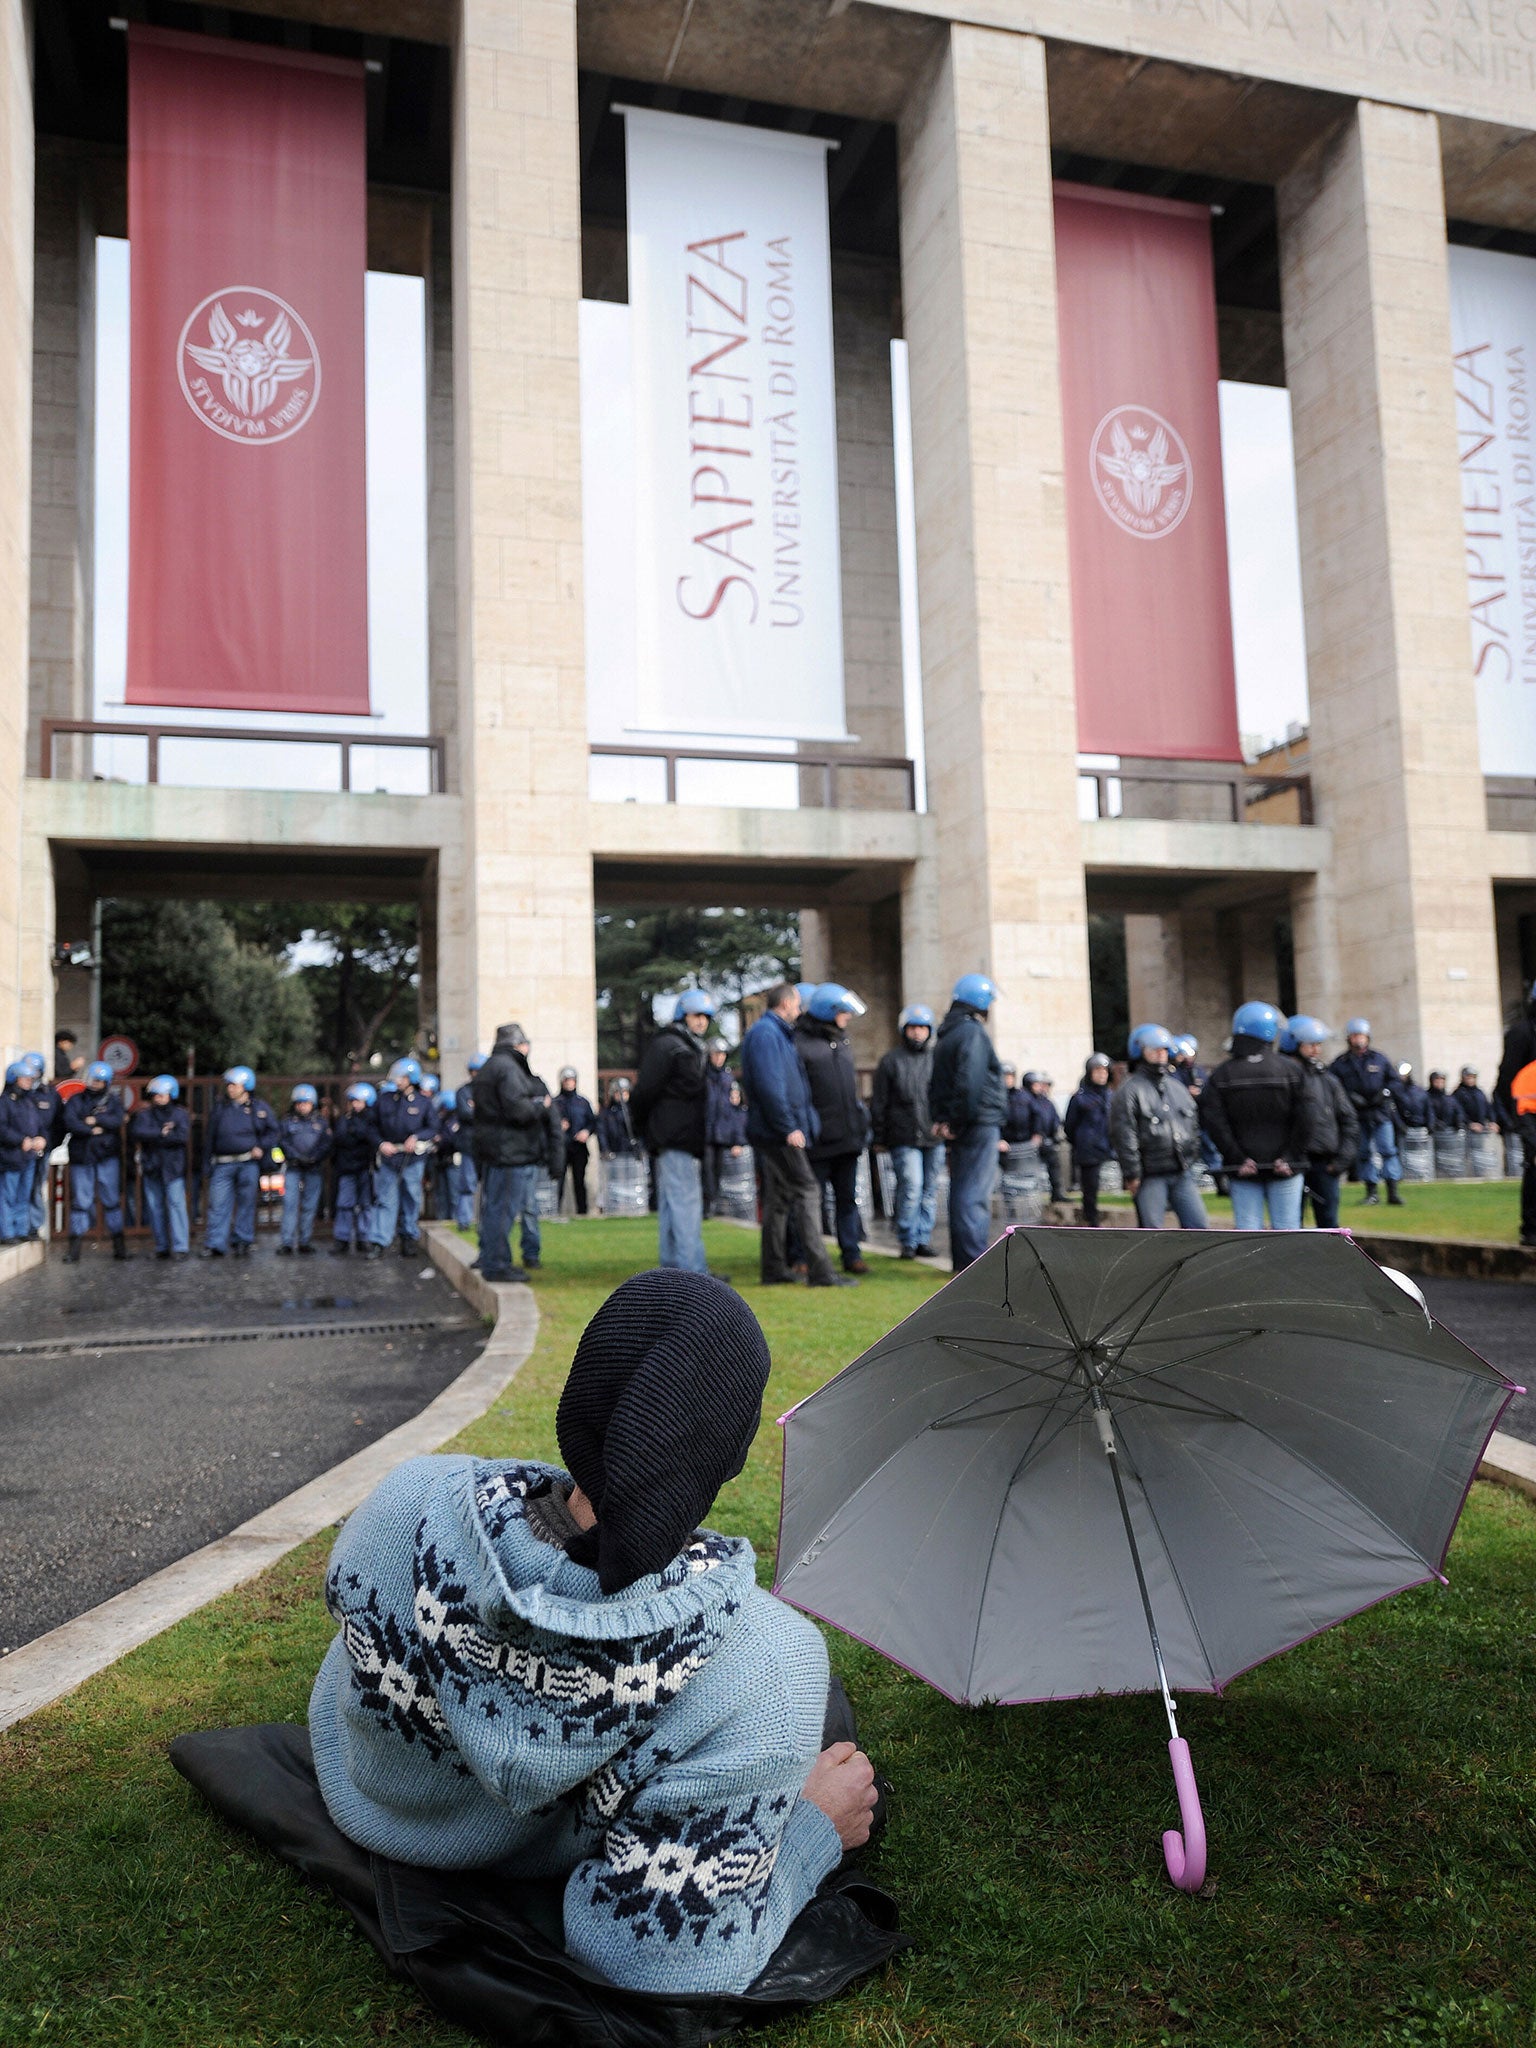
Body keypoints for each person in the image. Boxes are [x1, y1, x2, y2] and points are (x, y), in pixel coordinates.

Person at [308, 1269, 878, 1997]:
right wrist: (811, 1832)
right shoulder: (769, 1665)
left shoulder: (405, 1504)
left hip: (375, 1806)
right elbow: (660, 1963)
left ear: (581, 1400)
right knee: (808, 1711)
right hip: (564, 1842)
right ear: (729, 1452)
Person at [741, 982, 848, 1288]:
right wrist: (788, 1127)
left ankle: (773, 1269)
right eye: (798, 1004)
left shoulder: (773, 1033)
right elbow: (770, 1086)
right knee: (808, 1190)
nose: (800, 1011)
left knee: (778, 1200)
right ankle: (821, 1271)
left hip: (774, 1130)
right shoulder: (767, 1034)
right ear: (786, 1004)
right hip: (779, 1132)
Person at [1200, 1002, 1310, 1230]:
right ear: (1269, 1032)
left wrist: (1237, 1158)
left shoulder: (1222, 1075)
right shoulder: (1291, 1071)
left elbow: (1214, 1123)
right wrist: (1290, 1156)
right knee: (1287, 1232)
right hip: (1286, 1168)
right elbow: (1307, 1117)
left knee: (1248, 1235)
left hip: (1242, 1170)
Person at [630, 989, 714, 1274]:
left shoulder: (682, 1044)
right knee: (685, 1204)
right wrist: (643, 1126)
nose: (702, 1021)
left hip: (676, 1136)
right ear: (683, 1015)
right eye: (696, 1015)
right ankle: (694, 1272)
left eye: (706, 1016)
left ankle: (674, 1270)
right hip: (675, 1136)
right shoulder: (671, 1045)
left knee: (672, 1205)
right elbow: (644, 1091)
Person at [931, 973, 1007, 1271]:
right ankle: (974, 1263)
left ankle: (962, 1260)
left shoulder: (948, 1032)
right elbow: (969, 1083)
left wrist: (943, 1119)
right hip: (978, 1123)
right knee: (974, 1194)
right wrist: (958, 1121)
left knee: (962, 1191)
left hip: (963, 1123)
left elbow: (938, 1083)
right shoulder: (972, 1033)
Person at [473, 1022, 559, 1282]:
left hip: (496, 1149)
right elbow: (518, 1110)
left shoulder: (491, 1066)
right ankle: (497, 1265)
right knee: (503, 1210)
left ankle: (492, 1260)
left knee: (494, 1209)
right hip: (510, 1151)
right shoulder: (508, 1068)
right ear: (517, 1045)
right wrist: (541, 1106)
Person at [797, 984, 871, 1277]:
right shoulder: (801, 1044)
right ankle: (804, 1255)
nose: (848, 1017)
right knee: (810, 1202)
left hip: (847, 1138)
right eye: (843, 1012)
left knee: (846, 1200)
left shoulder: (841, 1041)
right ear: (829, 1012)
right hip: (818, 1141)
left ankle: (851, 1254)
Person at [1109, 1024, 1207, 1231]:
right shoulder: (1130, 1090)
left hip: (1182, 1171)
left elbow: (1193, 1126)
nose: (1160, 1055)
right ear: (1140, 1052)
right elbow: (1124, 1135)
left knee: (1199, 1228)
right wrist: (1132, 1174)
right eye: (1154, 1050)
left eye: (1164, 1050)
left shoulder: (1177, 1088)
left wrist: (1191, 1159)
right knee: (1152, 1233)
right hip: (1150, 1174)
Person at [871, 1003, 940, 1260]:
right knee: (911, 1186)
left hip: (933, 1137)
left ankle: (923, 1238)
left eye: (923, 1028)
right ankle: (907, 1240)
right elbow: (880, 1102)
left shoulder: (936, 1059)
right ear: (904, 1030)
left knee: (929, 1190)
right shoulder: (890, 1061)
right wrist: (879, 1135)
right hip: (903, 1136)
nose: (918, 1033)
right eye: (913, 1027)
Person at [1279, 1017, 1359, 1230]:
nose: (1316, 1050)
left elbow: (1349, 1120)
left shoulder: (1328, 1080)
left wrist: (1341, 1161)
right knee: (1289, 1227)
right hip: (1292, 1163)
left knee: (1330, 1225)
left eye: (1318, 1044)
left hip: (1325, 1164)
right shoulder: (1281, 1078)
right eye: (1310, 1045)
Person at [203, 1065, 278, 1259]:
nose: (230, 1088)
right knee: (218, 1205)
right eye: (228, 1085)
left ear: (246, 1086)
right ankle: (215, 1244)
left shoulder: (258, 1107)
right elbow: (210, 1136)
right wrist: (205, 1161)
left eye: (234, 1085)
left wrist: (261, 1146)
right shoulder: (220, 1107)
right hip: (222, 1163)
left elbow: (274, 1131)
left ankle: (243, 1241)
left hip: (248, 1163)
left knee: (246, 1203)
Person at [1331, 1019, 1404, 1207]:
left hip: (1380, 1113)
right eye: (1355, 1036)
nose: (1358, 1040)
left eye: (1361, 1036)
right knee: (1363, 1153)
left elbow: (1394, 1082)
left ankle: (1392, 1191)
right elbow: (1332, 1085)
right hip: (1357, 1114)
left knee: (1387, 1150)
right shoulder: (1341, 1063)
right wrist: (1348, 1097)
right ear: (1349, 1038)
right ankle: (1371, 1191)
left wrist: (1385, 1093)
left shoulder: (1379, 1059)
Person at [372, 1058, 436, 1260]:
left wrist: (417, 1137)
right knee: (385, 1200)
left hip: (412, 1159)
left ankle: (408, 1239)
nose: (397, 1081)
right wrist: (381, 1143)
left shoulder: (423, 1102)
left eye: (401, 1077)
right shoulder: (384, 1100)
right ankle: (379, 1242)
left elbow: (433, 1127)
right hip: (389, 1157)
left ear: (411, 1079)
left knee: (411, 1198)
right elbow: (371, 1127)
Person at [130, 1074, 191, 1259]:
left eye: (161, 1094)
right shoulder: (145, 1114)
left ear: (171, 1094)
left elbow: (182, 1137)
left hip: (172, 1167)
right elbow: (138, 1132)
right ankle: (161, 1246)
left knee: (177, 1206)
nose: (158, 1098)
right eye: (155, 1095)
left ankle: (181, 1247)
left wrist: (157, 1136)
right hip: (152, 1166)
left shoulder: (179, 1114)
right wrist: (161, 1133)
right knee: (155, 1208)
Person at [1496, 978, 1536, 1246]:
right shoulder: (1522, 1033)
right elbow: (1507, 1077)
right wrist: (1510, 1115)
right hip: (1528, 1111)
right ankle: (1530, 1227)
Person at [276, 1084, 332, 1255]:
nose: (302, 1106)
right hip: (293, 1167)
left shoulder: (321, 1123)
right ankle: (286, 1242)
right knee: (289, 1205)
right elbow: (282, 1142)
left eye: (306, 1103)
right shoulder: (287, 1122)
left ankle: (304, 1241)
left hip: (313, 1168)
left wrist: (314, 1157)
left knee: (310, 1205)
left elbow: (326, 1143)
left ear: (312, 1104)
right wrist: (295, 1156)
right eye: (299, 1103)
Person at [1063, 1053, 1114, 1226]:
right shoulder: (1080, 1097)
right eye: (1098, 1071)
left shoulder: (1110, 1095)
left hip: (1107, 1147)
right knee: (1090, 1189)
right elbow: (1069, 1126)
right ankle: (1090, 1219)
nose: (1102, 1074)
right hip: (1088, 1150)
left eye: (1105, 1071)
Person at [331, 1081, 379, 1256]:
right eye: (353, 1101)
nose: (355, 1105)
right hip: (347, 1167)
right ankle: (342, 1239)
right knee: (344, 1204)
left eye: (358, 1101)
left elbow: (369, 1137)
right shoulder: (345, 1120)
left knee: (366, 1204)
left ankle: (364, 1237)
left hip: (366, 1167)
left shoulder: (372, 1119)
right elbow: (340, 1138)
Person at [0, 1062, 45, 1247]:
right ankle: (6, 1232)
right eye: (25, 1078)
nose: (29, 1082)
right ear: (14, 1079)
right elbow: (1, 1128)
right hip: (10, 1156)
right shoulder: (4, 1102)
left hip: (29, 1157)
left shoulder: (28, 1101)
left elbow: (39, 1125)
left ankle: (21, 1229)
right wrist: (20, 1140)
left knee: (24, 1195)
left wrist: (42, 1138)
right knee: (7, 1195)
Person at [18, 1050, 54, 1241]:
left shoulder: (48, 1094)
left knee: (36, 1187)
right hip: (20, 1148)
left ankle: (33, 1226)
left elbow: (54, 1123)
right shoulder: (18, 1095)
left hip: (42, 1148)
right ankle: (20, 1227)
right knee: (21, 1188)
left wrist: (46, 1142)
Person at [701, 1044, 738, 1218]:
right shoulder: (703, 1077)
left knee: (718, 1169)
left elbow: (733, 1110)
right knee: (707, 1169)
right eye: (716, 1054)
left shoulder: (728, 1078)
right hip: (706, 1131)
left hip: (722, 1132)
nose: (719, 1058)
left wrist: (736, 1138)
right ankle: (707, 1204)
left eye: (722, 1054)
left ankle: (714, 1202)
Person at [556, 1067, 596, 1217]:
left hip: (579, 1147)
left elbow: (592, 1123)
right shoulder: (556, 1103)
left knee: (579, 1181)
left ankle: (582, 1212)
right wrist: (558, 1126)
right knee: (559, 1181)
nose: (569, 1083)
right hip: (561, 1147)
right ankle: (556, 1212)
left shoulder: (582, 1103)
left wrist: (586, 1132)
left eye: (571, 1080)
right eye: (566, 1080)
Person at [1024, 1071, 1066, 1204]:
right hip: (1029, 1142)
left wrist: (1054, 1134)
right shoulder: (1025, 1101)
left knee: (1054, 1163)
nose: (1040, 1087)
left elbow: (1054, 1119)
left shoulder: (1046, 1101)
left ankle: (1057, 1193)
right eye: (1036, 1084)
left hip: (1047, 1139)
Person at [596, 1076, 638, 1157]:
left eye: (624, 1092)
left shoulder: (634, 1111)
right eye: (618, 1092)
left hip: (632, 1153)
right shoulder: (606, 1113)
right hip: (614, 1154)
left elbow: (640, 1131)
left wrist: (641, 1148)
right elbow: (602, 1133)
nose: (622, 1096)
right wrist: (605, 1149)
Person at [1453, 1067, 1496, 1135]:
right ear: (1463, 1078)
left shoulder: (1479, 1092)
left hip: (1481, 1129)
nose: (1471, 1080)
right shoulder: (1458, 1094)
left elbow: (1488, 1107)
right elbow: (1458, 1111)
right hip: (1467, 1131)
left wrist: (1492, 1121)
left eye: (1473, 1077)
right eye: (1468, 1077)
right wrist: (1470, 1123)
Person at [1391, 1060, 1430, 1133]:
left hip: (1420, 1127)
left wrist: (1429, 1125)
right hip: (1402, 1130)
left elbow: (1428, 1109)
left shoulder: (1419, 1091)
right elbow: (1393, 1110)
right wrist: (1400, 1126)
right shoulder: (1394, 1091)